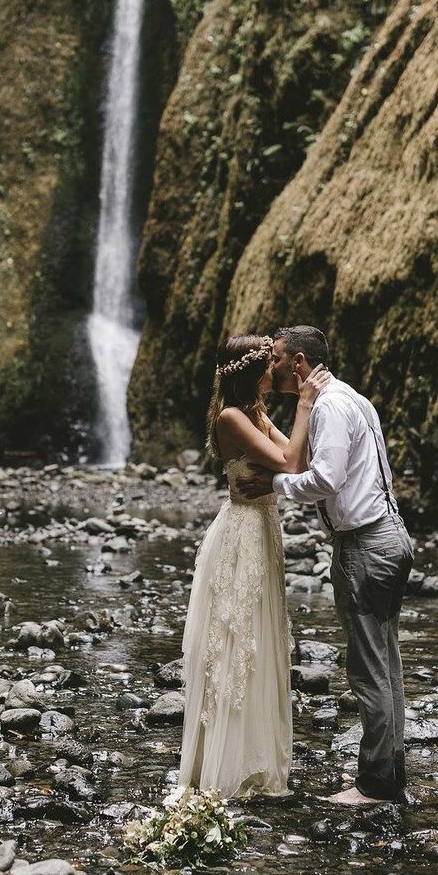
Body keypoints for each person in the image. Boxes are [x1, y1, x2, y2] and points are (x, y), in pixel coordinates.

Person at [238, 325, 413, 806]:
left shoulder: (331, 406)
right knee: (386, 664)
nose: (268, 366)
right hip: (387, 536)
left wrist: (270, 485)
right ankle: (390, 777)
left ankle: (376, 786)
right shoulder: (352, 398)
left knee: (369, 670)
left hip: (366, 546)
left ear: (297, 363)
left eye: (274, 358)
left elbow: (327, 481)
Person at [178, 335, 330, 798]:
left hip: (263, 527)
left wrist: (288, 451)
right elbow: (288, 459)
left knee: (260, 638)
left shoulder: (256, 414)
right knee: (236, 638)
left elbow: (297, 461)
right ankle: (222, 763)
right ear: (252, 372)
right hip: (241, 532)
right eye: (268, 364)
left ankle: (253, 757)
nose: (277, 370)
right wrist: (304, 405)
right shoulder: (230, 417)